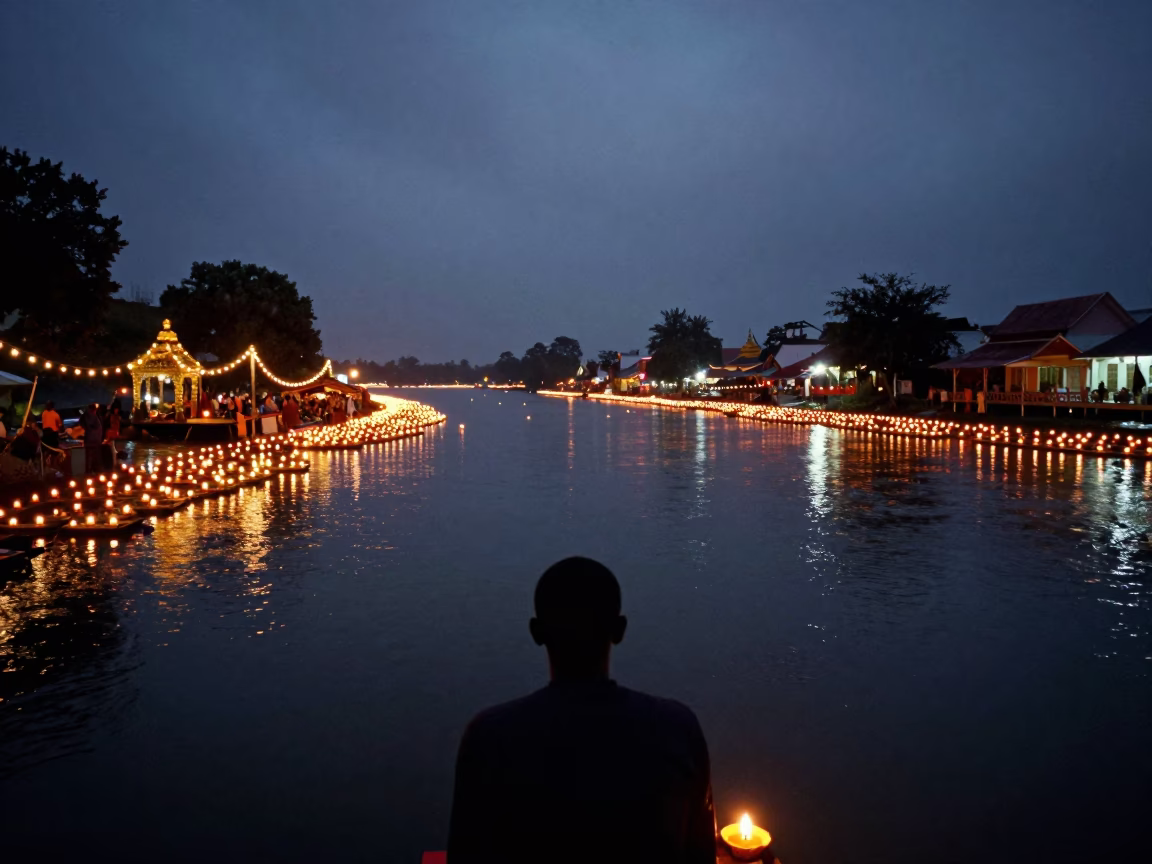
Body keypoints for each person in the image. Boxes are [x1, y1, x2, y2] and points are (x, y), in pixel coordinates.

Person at [448, 557, 715, 864]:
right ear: (619, 629)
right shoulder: (677, 728)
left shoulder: (489, 738)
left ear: (536, 632)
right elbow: (700, 854)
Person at [80, 403, 104, 474]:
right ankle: (94, 472)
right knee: (95, 458)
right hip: (95, 440)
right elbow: (97, 428)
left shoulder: (85, 416)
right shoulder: (94, 416)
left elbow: (82, 423)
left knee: (89, 458)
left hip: (89, 440)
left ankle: (88, 472)